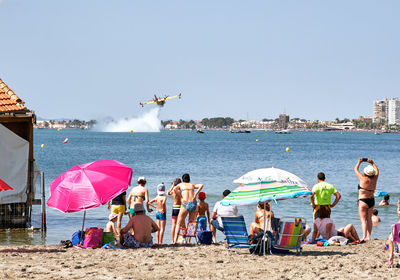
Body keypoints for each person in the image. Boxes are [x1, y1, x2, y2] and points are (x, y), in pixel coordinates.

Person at [172, 173, 203, 243]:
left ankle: (174, 241)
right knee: (191, 223)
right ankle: (189, 240)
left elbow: (174, 189)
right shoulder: (192, 185)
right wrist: (195, 194)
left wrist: (181, 197)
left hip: (186, 204)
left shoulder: (181, 185)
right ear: (189, 179)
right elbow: (201, 185)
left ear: (182, 180)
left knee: (178, 223)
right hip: (193, 204)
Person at [354, 158, 379, 242]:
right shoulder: (375, 178)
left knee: (363, 220)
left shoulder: (362, 178)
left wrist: (359, 162)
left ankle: (364, 236)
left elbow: (355, 169)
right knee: (369, 219)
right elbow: (377, 170)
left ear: (365, 172)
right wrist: (372, 162)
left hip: (363, 201)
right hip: (371, 200)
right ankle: (369, 236)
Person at [167, 178, 183, 242]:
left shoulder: (174, 191)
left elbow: (168, 193)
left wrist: (172, 186)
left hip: (175, 207)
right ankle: (178, 238)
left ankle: (172, 240)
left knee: (174, 224)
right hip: (181, 207)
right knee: (180, 224)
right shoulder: (181, 190)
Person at [388, 200, 400, 267]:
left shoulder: (398, 211)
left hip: (398, 229)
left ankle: (391, 256)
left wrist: (398, 205)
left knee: (391, 239)